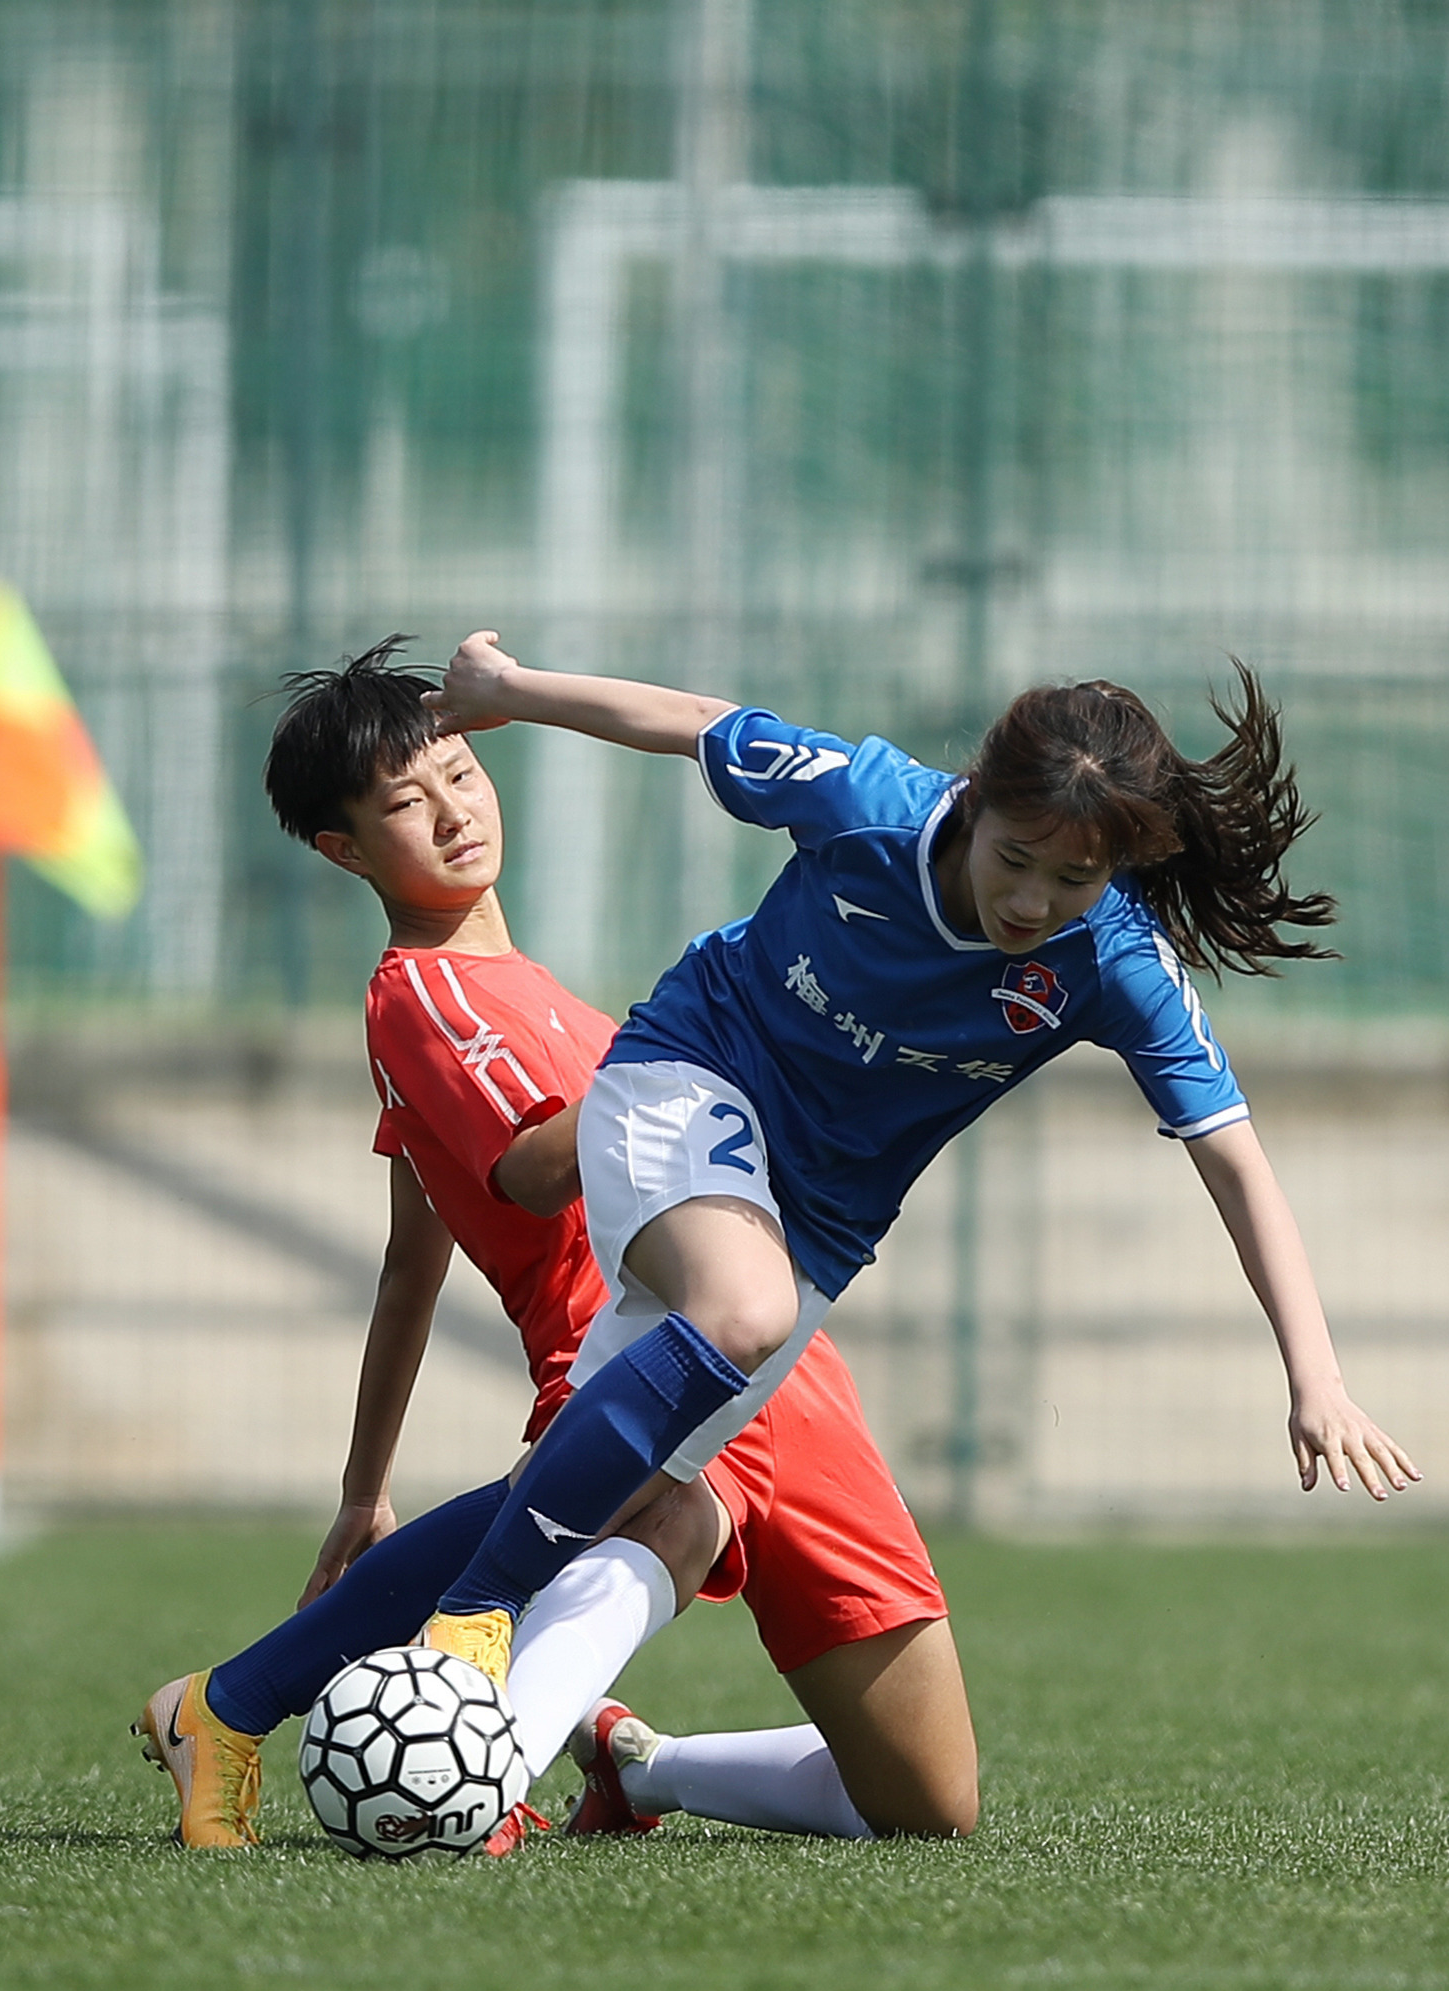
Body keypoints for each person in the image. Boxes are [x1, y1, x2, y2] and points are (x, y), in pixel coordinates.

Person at [411, 633, 1420, 1694]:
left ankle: (247, 1699)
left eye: (1074, 877)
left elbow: (1236, 1160)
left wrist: (1317, 1377)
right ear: (975, 803)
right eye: (1016, 859)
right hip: (695, 1076)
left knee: (581, 1491)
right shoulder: (867, 798)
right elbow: (695, 721)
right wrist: (510, 691)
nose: (1034, 901)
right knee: (728, 1326)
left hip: (819, 1223)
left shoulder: (1117, 961)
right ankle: (472, 1632)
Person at [134, 642, 975, 1851]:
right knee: (673, 1516)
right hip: (651, 1351)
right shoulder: (421, 995)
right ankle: (408, 1759)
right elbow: (532, 1169)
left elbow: (411, 1257)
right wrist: (729, 1068)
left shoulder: (536, 991)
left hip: (791, 1356)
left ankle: (646, 1765)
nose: (452, 813)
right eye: (404, 806)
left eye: (461, 775)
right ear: (344, 850)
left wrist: (366, 1489)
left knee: (926, 1802)